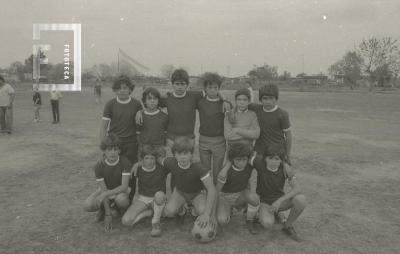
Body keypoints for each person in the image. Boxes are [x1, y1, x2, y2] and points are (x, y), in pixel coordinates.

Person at [249, 143, 306, 242]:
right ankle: (262, 214)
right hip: (264, 202)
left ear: (281, 160)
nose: (273, 162)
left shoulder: (285, 168)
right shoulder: (259, 162)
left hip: (280, 202)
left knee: (301, 200)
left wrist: (279, 201)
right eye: (270, 158)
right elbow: (245, 156)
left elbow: (297, 188)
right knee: (267, 223)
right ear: (265, 158)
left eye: (276, 159)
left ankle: (287, 226)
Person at [160, 137, 217, 231]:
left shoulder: (199, 168)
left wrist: (206, 214)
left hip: (196, 194)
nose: (182, 157)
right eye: (179, 154)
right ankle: (182, 211)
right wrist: (139, 163)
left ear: (191, 154)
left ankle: (194, 211)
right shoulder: (171, 162)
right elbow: (158, 159)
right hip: (180, 192)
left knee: (202, 211)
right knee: (169, 212)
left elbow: (211, 189)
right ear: (174, 154)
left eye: (186, 153)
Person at [83, 134, 132, 232]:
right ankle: (105, 209)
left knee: (122, 200)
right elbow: (104, 189)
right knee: (87, 205)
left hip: (119, 192)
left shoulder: (125, 162)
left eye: (115, 149)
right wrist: (108, 214)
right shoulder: (99, 166)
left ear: (119, 150)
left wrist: (105, 193)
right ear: (104, 151)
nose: (113, 153)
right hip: (107, 191)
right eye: (109, 150)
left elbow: (124, 187)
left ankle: (118, 208)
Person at [122, 145, 169, 237]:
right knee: (126, 221)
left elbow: (173, 165)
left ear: (156, 159)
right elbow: (133, 186)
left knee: (160, 197)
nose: (149, 161)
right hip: (143, 198)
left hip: (157, 199)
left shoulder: (162, 168)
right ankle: (149, 213)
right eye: (146, 158)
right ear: (142, 159)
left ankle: (155, 222)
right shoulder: (137, 169)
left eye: (152, 158)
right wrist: (134, 199)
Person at [216, 143, 260, 234]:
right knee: (222, 221)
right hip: (225, 197)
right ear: (232, 159)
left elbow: (261, 161)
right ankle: (228, 210)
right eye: (238, 160)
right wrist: (211, 213)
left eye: (244, 160)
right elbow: (216, 192)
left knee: (254, 198)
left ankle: (249, 220)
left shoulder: (249, 165)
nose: (241, 163)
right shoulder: (225, 171)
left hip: (240, 195)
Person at [100, 75, 142, 165]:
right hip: (114, 142)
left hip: (131, 143)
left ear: (130, 89)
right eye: (118, 88)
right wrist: (104, 148)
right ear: (115, 90)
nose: (122, 90)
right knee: (115, 168)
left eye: (125, 88)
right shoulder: (110, 104)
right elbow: (103, 127)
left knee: (130, 169)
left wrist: (142, 111)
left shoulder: (137, 104)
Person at [249, 84, 292, 164]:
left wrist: (287, 155)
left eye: (271, 98)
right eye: (265, 98)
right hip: (260, 151)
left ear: (276, 99)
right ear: (260, 99)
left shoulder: (282, 114)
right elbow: (242, 103)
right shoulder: (256, 108)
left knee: (280, 174)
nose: (268, 101)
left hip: (277, 152)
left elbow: (288, 136)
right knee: (262, 174)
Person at [197, 72, 227, 184]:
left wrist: (225, 99)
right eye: (210, 87)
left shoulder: (224, 103)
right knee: (205, 170)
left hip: (219, 140)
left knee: (217, 170)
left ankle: (216, 193)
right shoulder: (200, 102)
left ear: (219, 89)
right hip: (203, 140)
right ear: (205, 88)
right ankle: (207, 191)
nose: (213, 90)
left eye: (216, 87)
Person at [137, 87, 168, 159]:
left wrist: (163, 146)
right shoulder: (140, 116)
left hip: (159, 148)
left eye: (155, 99)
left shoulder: (164, 116)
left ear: (158, 101)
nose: (152, 101)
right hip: (144, 147)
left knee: (160, 168)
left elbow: (165, 133)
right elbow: (138, 134)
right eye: (149, 98)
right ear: (144, 101)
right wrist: (141, 146)